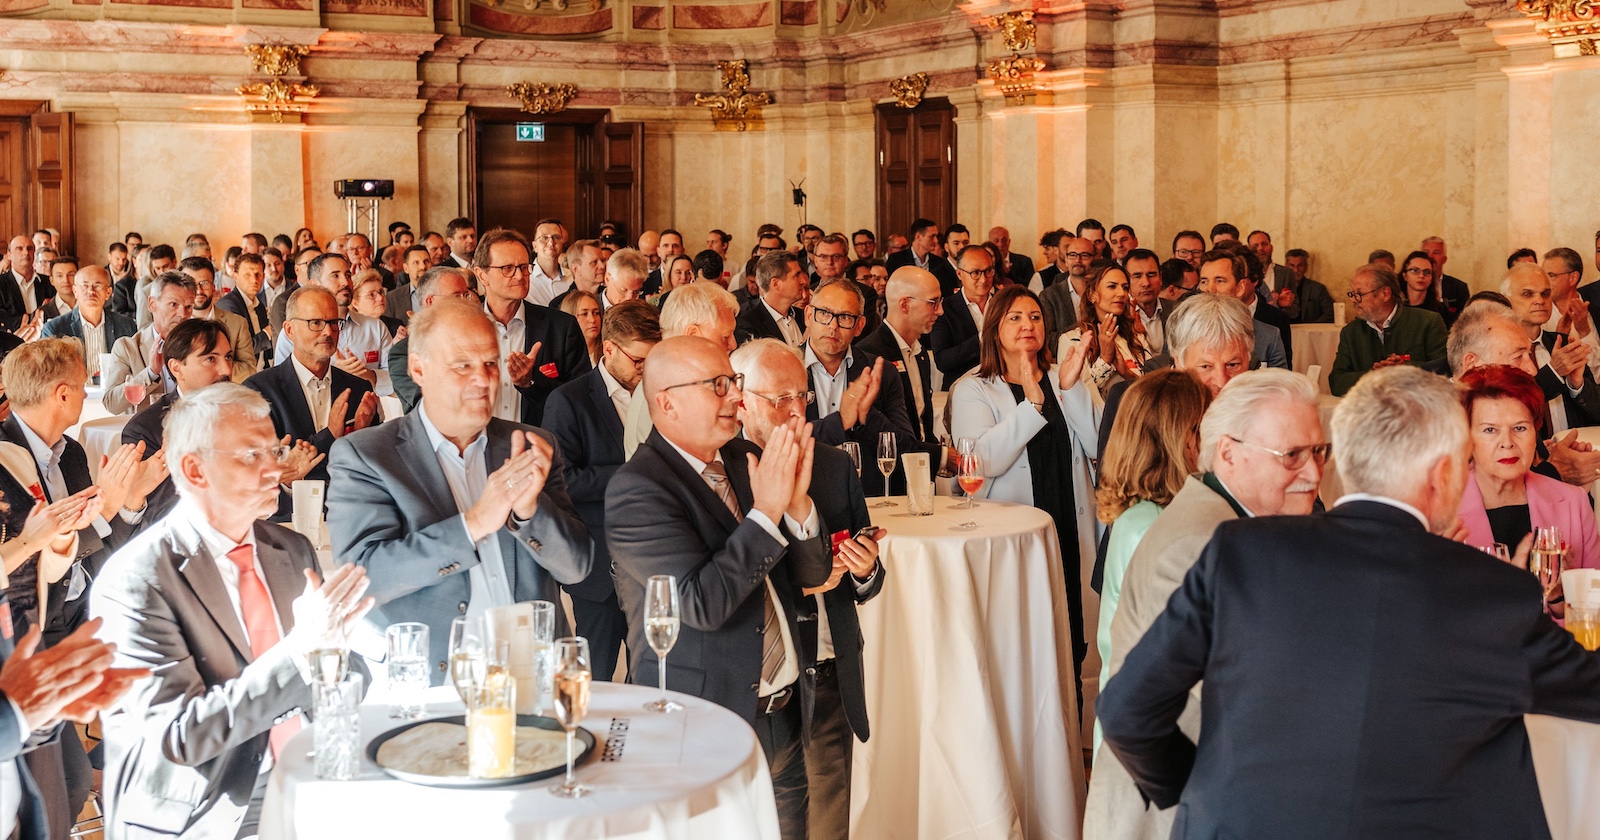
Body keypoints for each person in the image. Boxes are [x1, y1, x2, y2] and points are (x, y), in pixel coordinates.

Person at [1097, 365, 1600, 839]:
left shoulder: (1237, 555)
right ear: (1443, 472)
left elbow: (1125, 713)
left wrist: (1199, 793)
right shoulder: (1492, 592)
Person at [94, 384, 375, 840]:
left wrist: (334, 656)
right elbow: (182, 735)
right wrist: (303, 652)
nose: (274, 469)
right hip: (204, 808)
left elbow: (350, 677)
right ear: (195, 469)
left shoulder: (290, 547)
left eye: (273, 450)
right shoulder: (138, 578)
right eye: (251, 456)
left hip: (306, 778)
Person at [1083, 369, 1326, 840]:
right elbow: (1149, 710)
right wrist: (1195, 800)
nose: (1314, 473)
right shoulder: (1198, 543)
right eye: (1292, 455)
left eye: (1319, 452)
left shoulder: (1237, 519)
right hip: (1176, 813)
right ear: (1228, 453)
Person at [606, 334, 831, 839]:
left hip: (784, 710)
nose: (735, 396)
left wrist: (798, 511)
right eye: (718, 385)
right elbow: (701, 603)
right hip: (703, 722)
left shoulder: (743, 459)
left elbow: (810, 577)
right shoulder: (637, 490)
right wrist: (768, 511)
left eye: (735, 382)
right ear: (666, 400)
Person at [327, 298, 592, 678]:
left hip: (533, 673)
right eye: (463, 365)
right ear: (418, 367)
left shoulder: (528, 444)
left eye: (490, 363)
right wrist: (474, 523)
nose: (484, 379)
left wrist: (531, 512)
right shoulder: (368, 455)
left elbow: (576, 568)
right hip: (435, 681)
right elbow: (366, 577)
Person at [730, 338, 884, 840]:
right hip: (766, 679)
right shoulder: (730, 473)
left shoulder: (835, 464)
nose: (795, 411)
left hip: (830, 664)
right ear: (742, 398)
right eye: (779, 399)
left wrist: (864, 569)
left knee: (831, 814)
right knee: (773, 819)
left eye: (802, 396)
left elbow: (868, 575)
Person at [949, 285, 1099, 687]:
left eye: (1034, 316)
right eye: (1014, 317)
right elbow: (980, 461)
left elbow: (1101, 444)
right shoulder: (973, 388)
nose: (1026, 325)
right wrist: (1030, 406)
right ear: (994, 328)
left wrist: (1070, 389)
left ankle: (1070, 746)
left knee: (1074, 643)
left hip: (1069, 524)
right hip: (1016, 534)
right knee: (1027, 647)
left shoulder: (1063, 377)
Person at [1091, 369, 1210, 755]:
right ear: (1183, 438)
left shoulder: (1158, 512)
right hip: (1148, 737)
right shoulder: (1149, 527)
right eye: (1205, 425)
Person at [543, 301, 661, 682]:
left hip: (652, 559)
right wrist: (636, 472)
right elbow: (565, 481)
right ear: (609, 349)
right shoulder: (568, 400)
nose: (646, 370)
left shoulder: (660, 394)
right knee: (594, 677)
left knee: (649, 673)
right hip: (598, 567)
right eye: (639, 361)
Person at [1455, 364, 1600, 570]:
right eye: (1490, 430)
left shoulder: (1573, 501)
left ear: (1536, 431)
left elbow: (1592, 596)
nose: (1507, 442)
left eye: (1520, 428)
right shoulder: (1437, 510)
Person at [244, 287, 379, 486]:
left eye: (333, 323)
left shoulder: (357, 387)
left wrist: (360, 433)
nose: (328, 332)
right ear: (290, 330)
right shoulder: (258, 391)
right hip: (288, 511)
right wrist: (330, 434)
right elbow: (260, 471)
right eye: (315, 323)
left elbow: (374, 463)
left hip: (350, 503)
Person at [801, 280, 921, 496]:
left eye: (845, 317)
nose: (833, 326)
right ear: (808, 315)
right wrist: (842, 420)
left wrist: (866, 417)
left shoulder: (880, 371)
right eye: (824, 314)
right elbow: (777, 440)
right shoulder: (785, 368)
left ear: (859, 326)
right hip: (803, 493)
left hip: (865, 497)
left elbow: (907, 449)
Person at [473, 227, 591, 427]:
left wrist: (531, 382)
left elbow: (581, 400)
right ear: (482, 275)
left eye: (524, 267)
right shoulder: (464, 327)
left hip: (538, 445)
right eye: (507, 268)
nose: (520, 276)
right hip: (477, 444)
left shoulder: (561, 327)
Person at [621, 281, 741, 458]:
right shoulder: (662, 389)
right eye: (725, 336)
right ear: (693, 334)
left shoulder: (684, 380)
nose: (733, 344)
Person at [1502, 261, 1600, 432]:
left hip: (1575, 448)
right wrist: (1554, 372)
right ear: (1506, 299)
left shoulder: (1562, 343)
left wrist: (1578, 385)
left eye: (1546, 294)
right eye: (1528, 294)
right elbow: (1508, 408)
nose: (1539, 300)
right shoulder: (1499, 350)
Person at [1328, 263, 1448, 396]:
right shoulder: (1351, 332)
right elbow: (1336, 382)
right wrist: (1376, 376)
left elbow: (1445, 372)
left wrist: (1403, 369)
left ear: (1385, 294)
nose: (1354, 300)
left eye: (1359, 294)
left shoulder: (1427, 322)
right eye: (1353, 294)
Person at [102, 271, 197, 415]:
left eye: (188, 307)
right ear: (152, 304)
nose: (183, 314)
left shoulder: (200, 345)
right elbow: (111, 403)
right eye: (173, 304)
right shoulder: (127, 347)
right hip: (144, 433)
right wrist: (151, 373)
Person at [388, 266, 475, 413]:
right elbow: (426, 403)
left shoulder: (475, 342)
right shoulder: (404, 352)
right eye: (456, 296)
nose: (464, 303)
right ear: (430, 301)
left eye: (466, 295)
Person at [1066, 263, 1151, 398]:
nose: (1121, 293)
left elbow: (1153, 387)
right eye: (1112, 286)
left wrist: (1126, 374)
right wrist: (1105, 360)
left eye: (1125, 288)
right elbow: (1075, 397)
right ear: (1092, 294)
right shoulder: (1072, 340)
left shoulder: (1136, 336)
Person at [41, 265, 136, 382]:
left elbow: (134, 368)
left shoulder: (126, 325)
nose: (91, 291)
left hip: (114, 393)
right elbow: (49, 374)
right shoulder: (54, 328)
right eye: (85, 286)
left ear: (108, 292)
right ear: (75, 291)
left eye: (97, 286)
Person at [180, 257, 259, 383]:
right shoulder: (176, 325)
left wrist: (210, 365)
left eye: (204, 283)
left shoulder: (237, 323)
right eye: (192, 285)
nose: (199, 290)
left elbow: (249, 369)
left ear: (213, 286)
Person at [930, 244, 1000, 388]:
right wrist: (982, 339)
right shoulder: (945, 309)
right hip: (962, 388)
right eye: (975, 273)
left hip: (1003, 386)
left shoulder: (1005, 304)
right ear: (959, 274)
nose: (983, 279)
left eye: (988, 271)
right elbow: (943, 361)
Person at [738, 251, 808, 348]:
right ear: (776, 284)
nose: (803, 281)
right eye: (796, 276)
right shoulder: (748, 326)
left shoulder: (804, 317)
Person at [1037, 237, 1095, 344]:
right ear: (1066, 260)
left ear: (1094, 259)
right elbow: (1047, 340)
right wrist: (1082, 326)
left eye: (1084, 255)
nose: (1078, 260)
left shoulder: (1101, 293)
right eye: (1072, 255)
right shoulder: (1049, 296)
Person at [885, 218, 958, 296]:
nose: (936, 240)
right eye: (932, 236)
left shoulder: (939, 262)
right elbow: (892, 290)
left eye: (936, 236)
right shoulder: (896, 260)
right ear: (918, 237)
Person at [1277, 248, 1335, 323]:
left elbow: (1330, 313)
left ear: (1306, 267)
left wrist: (1311, 329)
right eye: (1292, 266)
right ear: (1286, 267)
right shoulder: (1278, 288)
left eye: (1300, 265)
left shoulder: (1317, 289)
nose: (1296, 270)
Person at [1422, 235, 1470, 326]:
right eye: (1426, 252)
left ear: (1444, 259)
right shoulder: (1412, 285)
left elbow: (1464, 321)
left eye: (1436, 252)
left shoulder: (1459, 288)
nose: (1430, 256)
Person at [558, 289, 603, 369]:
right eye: (584, 314)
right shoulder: (560, 354)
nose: (592, 319)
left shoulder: (609, 351)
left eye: (596, 313)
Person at [1399, 249, 1447, 317]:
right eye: (1415, 271)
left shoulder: (1440, 310)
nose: (1421, 276)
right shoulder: (1394, 307)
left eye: (1427, 272)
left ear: (1431, 278)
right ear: (1405, 276)